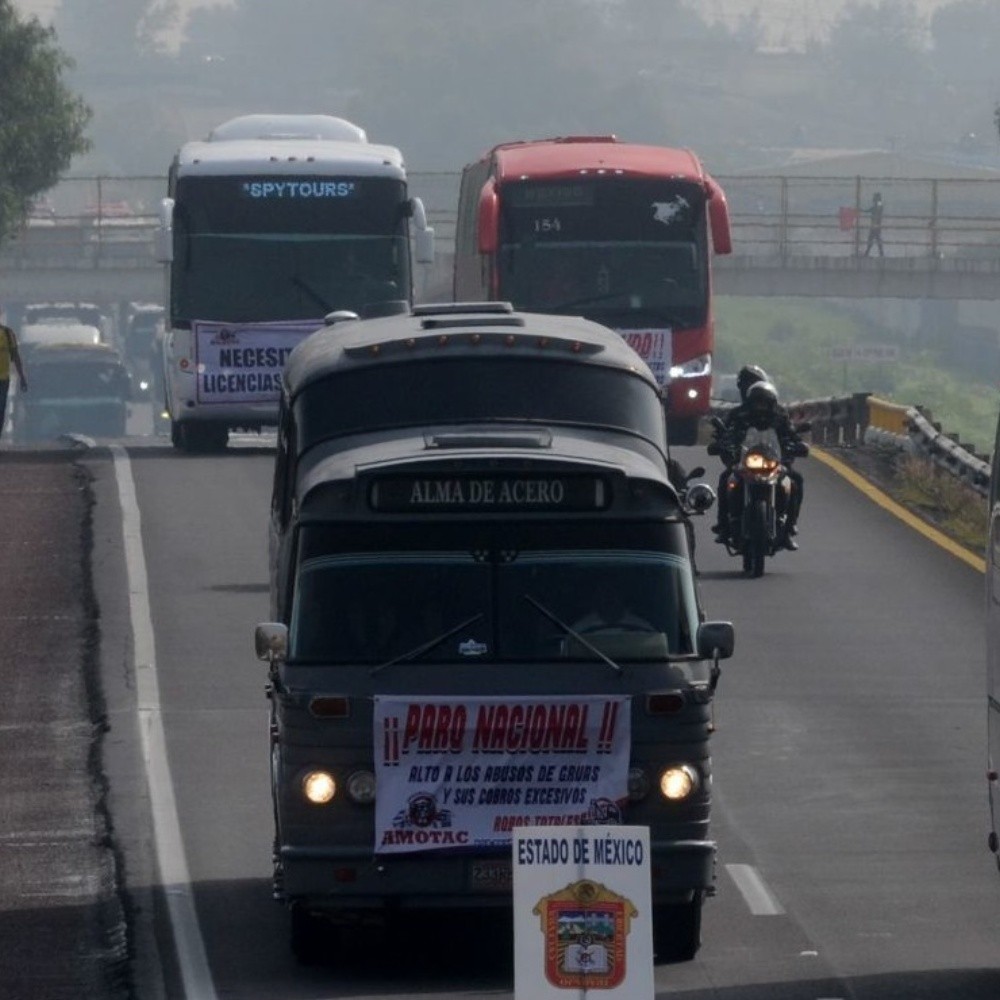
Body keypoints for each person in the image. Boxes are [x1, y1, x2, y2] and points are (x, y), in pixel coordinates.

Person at [710, 372, 807, 550]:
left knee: (795, 481)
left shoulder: (780, 416)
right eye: (757, 402)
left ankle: (789, 527)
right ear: (750, 402)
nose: (760, 406)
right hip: (745, 461)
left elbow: (790, 435)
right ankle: (723, 525)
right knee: (726, 479)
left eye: (764, 402)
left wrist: (798, 446)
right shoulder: (739, 415)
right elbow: (729, 434)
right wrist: (722, 445)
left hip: (774, 461)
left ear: (771, 403)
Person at [0, 313, 28, 440]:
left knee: (1, 410)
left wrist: (22, 377)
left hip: (3, 380)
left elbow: (16, 356)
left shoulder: (7, 334)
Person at [862, 192, 884, 257]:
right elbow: (870, 210)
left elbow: (877, 208)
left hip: (876, 226)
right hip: (874, 226)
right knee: (874, 239)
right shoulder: (876, 206)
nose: (873, 199)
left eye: (874, 197)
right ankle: (869, 253)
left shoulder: (879, 205)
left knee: (873, 239)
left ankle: (868, 253)